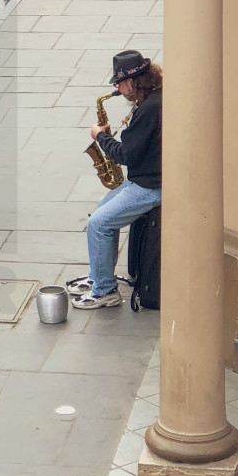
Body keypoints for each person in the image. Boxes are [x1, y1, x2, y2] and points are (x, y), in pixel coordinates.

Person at [68, 50, 162, 310]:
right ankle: (101, 276)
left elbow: (126, 155)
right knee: (101, 209)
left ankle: (105, 291)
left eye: (119, 83)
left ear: (132, 81)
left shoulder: (149, 109)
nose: (117, 89)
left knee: (99, 223)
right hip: (146, 177)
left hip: (152, 185)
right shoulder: (152, 100)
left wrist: (100, 137)